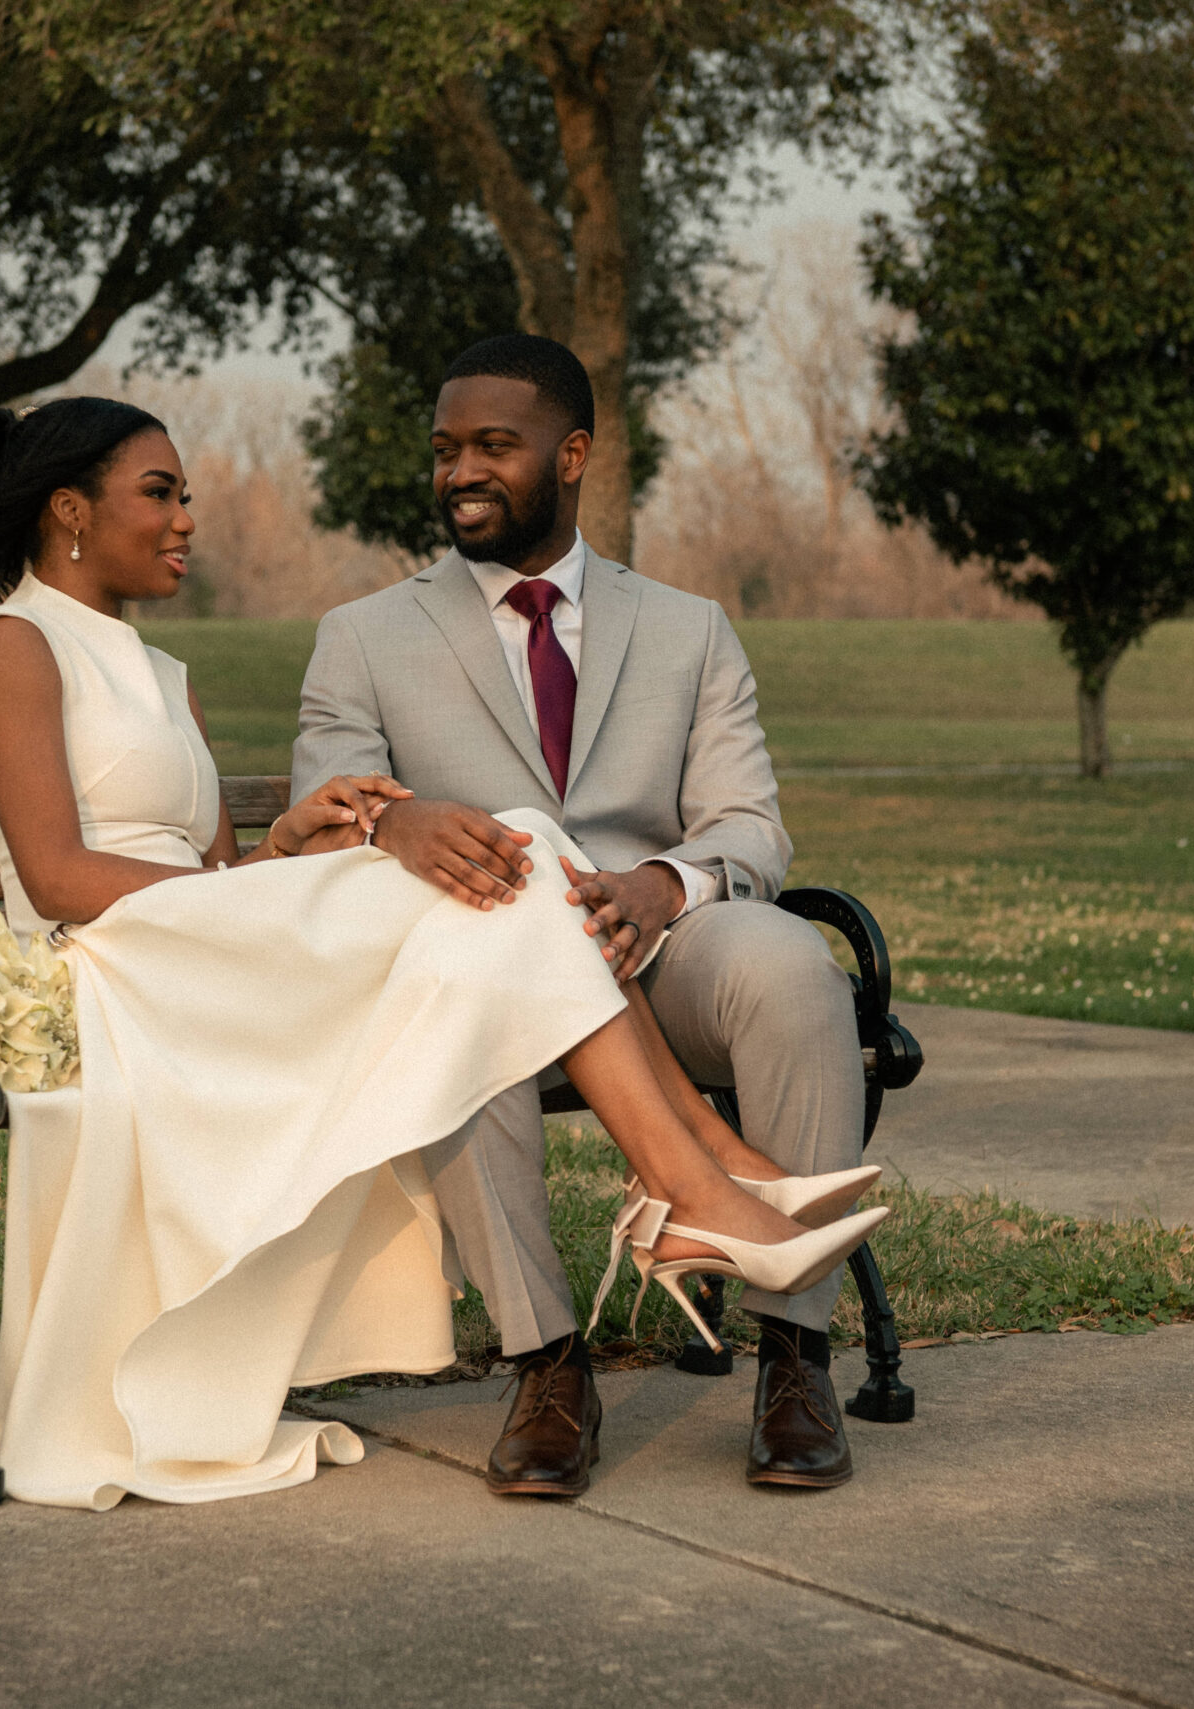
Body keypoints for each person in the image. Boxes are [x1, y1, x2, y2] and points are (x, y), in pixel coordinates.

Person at [0, 395, 884, 1511]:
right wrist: (317, 868)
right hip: (120, 969)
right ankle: (703, 1174)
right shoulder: (15, 647)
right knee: (521, 849)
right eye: (162, 492)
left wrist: (290, 851)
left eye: (183, 493)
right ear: (69, 510)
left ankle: (703, 1189)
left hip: (200, 949)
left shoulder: (162, 672)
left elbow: (231, 877)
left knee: (505, 883)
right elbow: (56, 877)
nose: (187, 518)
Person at [295, 334, 873, 1497]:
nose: (461, 470)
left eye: (492, 446)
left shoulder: (688, 626)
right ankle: (547, 1363)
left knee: (793, 967)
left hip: (655, 952)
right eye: (446, 448)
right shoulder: (363, 634)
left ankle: (794, 1354)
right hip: (479, 958)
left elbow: (749, 824)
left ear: (571, 457)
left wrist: (668, 882)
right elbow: (323, 810)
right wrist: (389, 823)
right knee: (460, 1026)